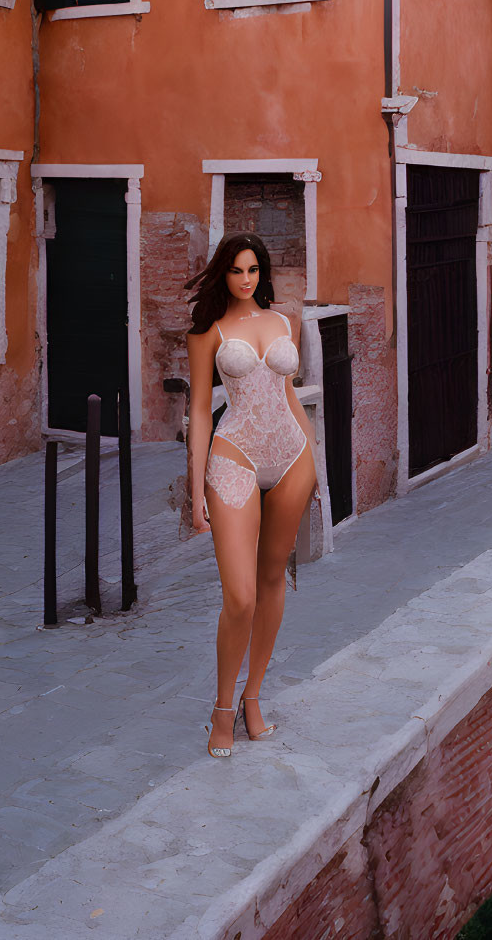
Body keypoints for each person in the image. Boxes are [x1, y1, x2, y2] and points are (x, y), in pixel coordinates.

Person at [184, 233, 319, 758]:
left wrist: (313, 460)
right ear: (224, 274)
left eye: (253, 270)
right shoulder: (209, 331)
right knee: (240, 596)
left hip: (291, 456)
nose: (246, 279)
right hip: (234, 456)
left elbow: (287, 393)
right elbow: (199, 411)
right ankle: (221, 708)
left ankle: (253, 697)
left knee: (273, 579)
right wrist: (195, 491)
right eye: (237, 271)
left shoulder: (282, 322)